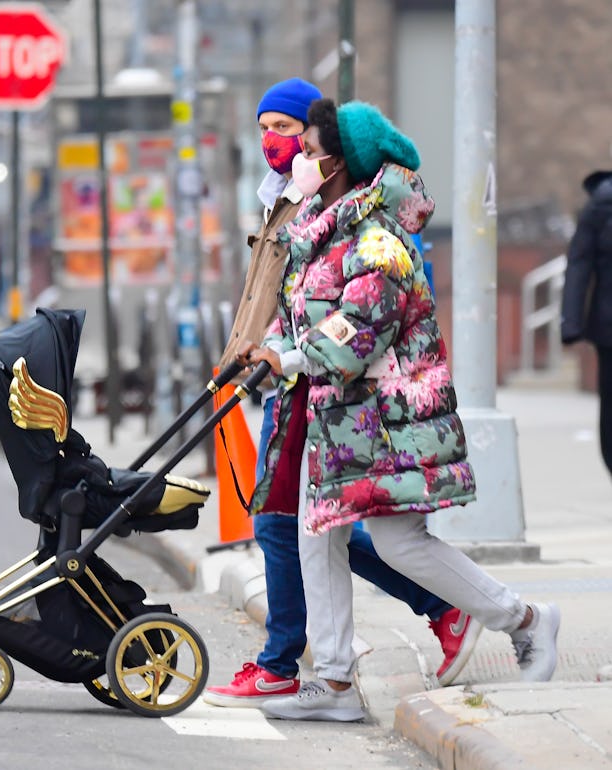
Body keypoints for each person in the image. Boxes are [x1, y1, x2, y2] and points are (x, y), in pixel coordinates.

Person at [238, 98, 561, 722]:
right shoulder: (328, 231)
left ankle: (524, 618)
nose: (299, 159)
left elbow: (360, 332)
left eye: (307, 148)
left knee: (398, 543)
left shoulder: (378, 238)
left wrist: (293, 358)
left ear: (340, 161)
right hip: (339, 422)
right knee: (316, 536)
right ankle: (333, 684)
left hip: (384, 422)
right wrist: (272, 350)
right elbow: (306, 317)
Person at [203, 79, 482, 710]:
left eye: (289, 131)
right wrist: (241, 361)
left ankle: (298, 663)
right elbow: (274, 305)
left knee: (303, 525)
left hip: (321, 383)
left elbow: (342, 320)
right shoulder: (290, 206)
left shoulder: (354, 223)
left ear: (325, 147)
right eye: (266, 129)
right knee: (306, 525)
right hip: (290, 373)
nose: (278, 145)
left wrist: (284, 357)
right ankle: (327, 667)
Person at [561, 170, 612, 477]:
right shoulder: (601, 206)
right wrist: (571, 321)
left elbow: (579, 262)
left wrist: (571, 321)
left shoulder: (598, 204)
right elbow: (579, 263)